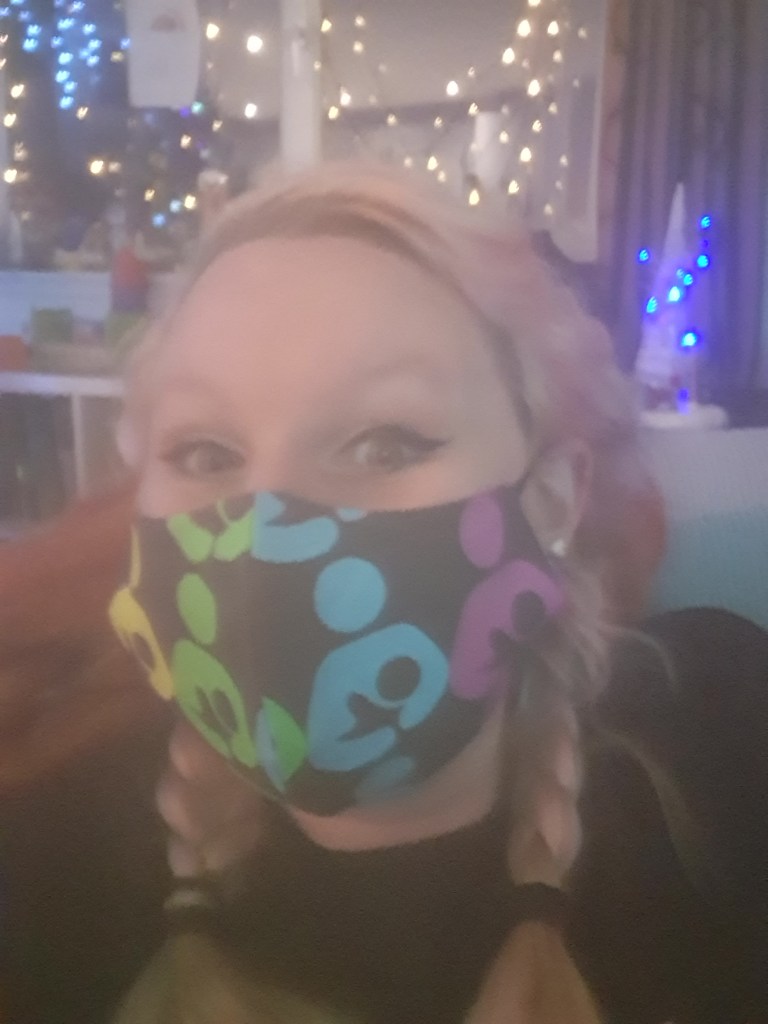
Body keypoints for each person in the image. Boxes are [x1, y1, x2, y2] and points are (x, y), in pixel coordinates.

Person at [4, 163, 767, 1024]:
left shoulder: (714, 748)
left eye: (385, 443)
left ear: (552, 497)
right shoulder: (56, 863)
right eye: (206, 453)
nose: (267, 528)